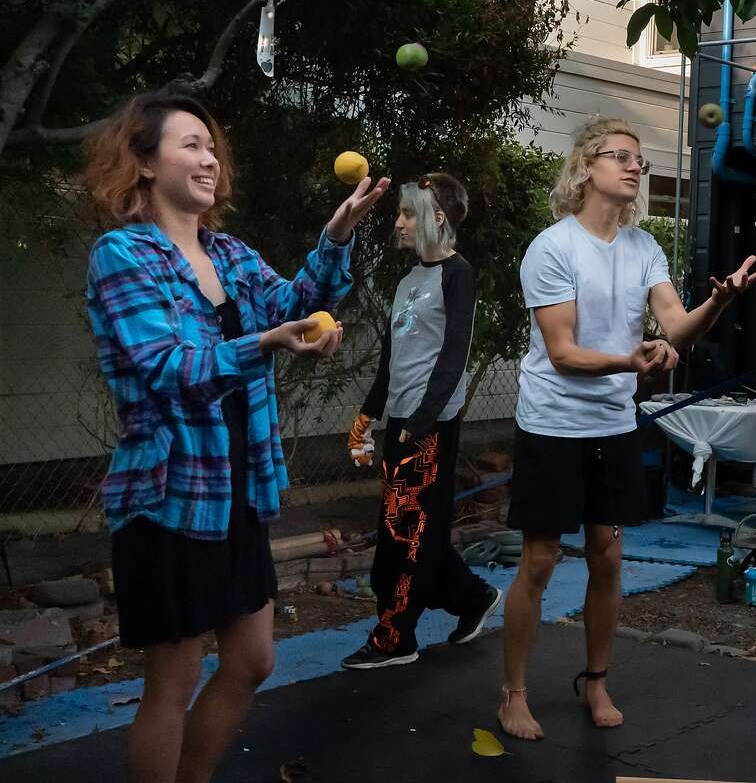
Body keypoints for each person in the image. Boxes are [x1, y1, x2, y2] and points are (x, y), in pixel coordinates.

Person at [84, 90, 388, 782]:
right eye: (189, 144)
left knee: (252, 661)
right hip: (170, 496)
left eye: (211, 146)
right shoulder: (124, 255)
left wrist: (336, 238)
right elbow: (166, 366)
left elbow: (293, 304)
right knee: (175, 676)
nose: (208, 157)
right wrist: (268, 342)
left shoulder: (229, 253)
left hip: (238, 488)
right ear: (142, 162)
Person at [498, 117, 756, 740]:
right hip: (552, 424)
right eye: (620, 155)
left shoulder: (645, 248)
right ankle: (513, 692)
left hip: (613, 425)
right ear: (586, 167)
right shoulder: (553, 247)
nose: (634, 166)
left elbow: (675, 329)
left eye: (638, 160)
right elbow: (563, 352)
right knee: (538, 560)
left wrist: (720, 300)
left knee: (609, 555)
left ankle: (595, 680)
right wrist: (633, 359)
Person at [342, 172, 502, 669]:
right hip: (401, 421)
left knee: (405, 533)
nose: (399, 223)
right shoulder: (407, 281)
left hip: (429, 425)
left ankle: (396, 637)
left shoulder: (458, 275)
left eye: (408, 214)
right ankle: (472, 597)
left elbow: (454, 357)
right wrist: (368, 415)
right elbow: (391, 359)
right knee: (414, 529)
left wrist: (422, 420)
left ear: (437, 219)